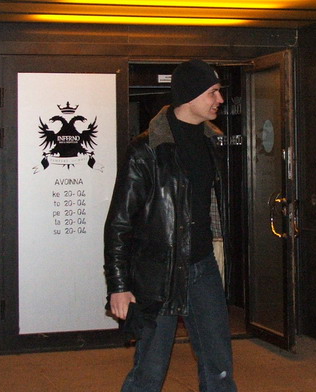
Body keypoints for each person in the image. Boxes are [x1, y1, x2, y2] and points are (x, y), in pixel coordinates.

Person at [104, 59, 238, 392]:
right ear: (190, 95)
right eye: (213, 92)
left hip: (202, 266)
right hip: (157, 273)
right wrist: (118, 285)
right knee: (150, 369)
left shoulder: (213, 143)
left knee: (219, 364)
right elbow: (119, 222)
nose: (219, 99)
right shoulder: (146, 150)